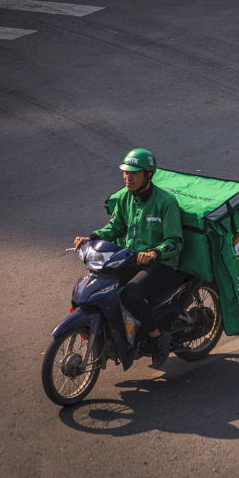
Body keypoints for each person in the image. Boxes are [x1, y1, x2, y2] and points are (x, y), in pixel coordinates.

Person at [73, 148, 184, 367]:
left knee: (131, 294)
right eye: (125, 173)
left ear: (148, 175)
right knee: (100, 285)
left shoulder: (165, 203)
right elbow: (115, 226)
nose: (128, 177)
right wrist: (91, 237)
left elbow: (175, 241)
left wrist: (154, 252)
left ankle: (156, 336)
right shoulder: (125, 197)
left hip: (161, 264)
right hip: (130, 259)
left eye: (134, 174)